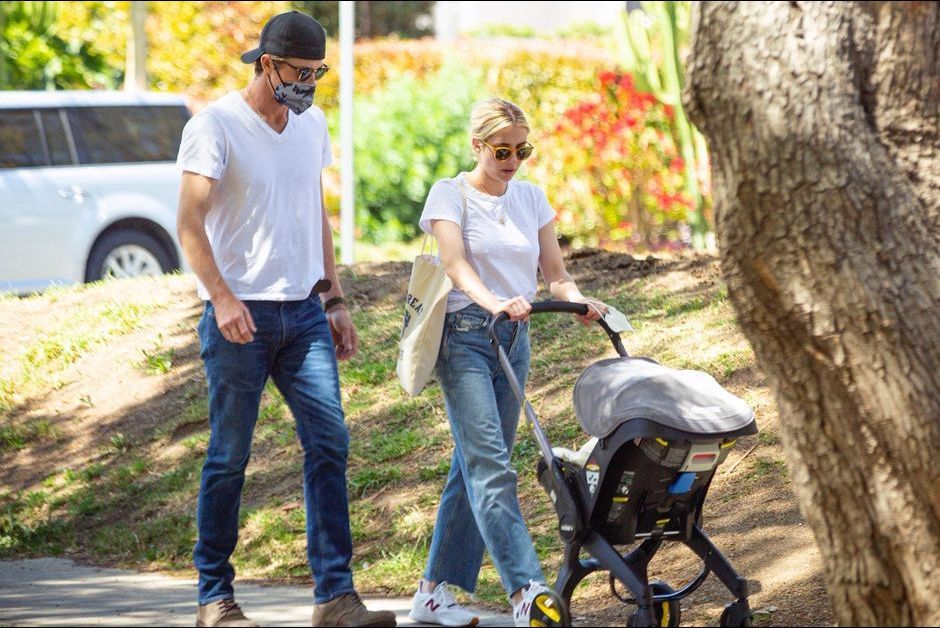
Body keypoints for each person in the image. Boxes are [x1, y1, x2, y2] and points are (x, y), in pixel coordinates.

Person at [176, 11, 396, 628]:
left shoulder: (310, 125)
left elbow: (314, 214)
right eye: (300, 72)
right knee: (229, 456)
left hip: (302, 314)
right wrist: (221, 298)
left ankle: (335, 597)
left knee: (330, 443)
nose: (309, 84)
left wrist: (334, 297)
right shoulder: (215, 126)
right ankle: (214, 598)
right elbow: (190, 223)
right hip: (237, 317)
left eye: (318, 73)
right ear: (266, 64)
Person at [408, 98, 608, 628]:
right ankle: (526, 590)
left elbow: (556, 273)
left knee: (471, 466)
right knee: (491, 467)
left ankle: (431, 594)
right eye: (502, 150)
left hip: (514, 340)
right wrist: (493, 300)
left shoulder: (531, 198)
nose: (513, 160)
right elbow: (454, 266)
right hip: (465, 339)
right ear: (478, 146)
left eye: (522, 149)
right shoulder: (449, 195)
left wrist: (578, 299)